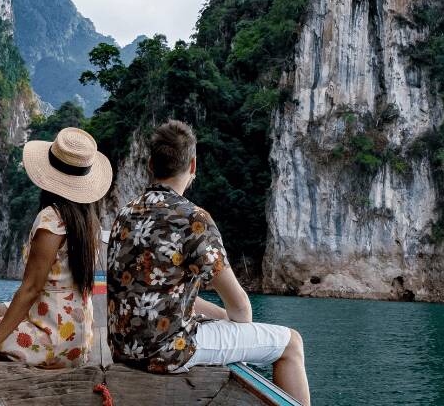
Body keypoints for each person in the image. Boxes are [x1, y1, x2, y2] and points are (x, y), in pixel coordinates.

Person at [106, 120, 311, 405]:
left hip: (123, 348)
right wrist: (227, 317)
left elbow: (154, 294)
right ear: (192, 166)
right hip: (168, 351)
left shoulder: (125, 216)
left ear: (151, 165)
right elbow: (241, 309)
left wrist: (214, 314)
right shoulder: (193, 219)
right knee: (292, 344)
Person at [0, 127, 113, 372]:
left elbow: (31, 288)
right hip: (76, 334)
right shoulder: (88, 221)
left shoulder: (52, 219)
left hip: (53, 337)